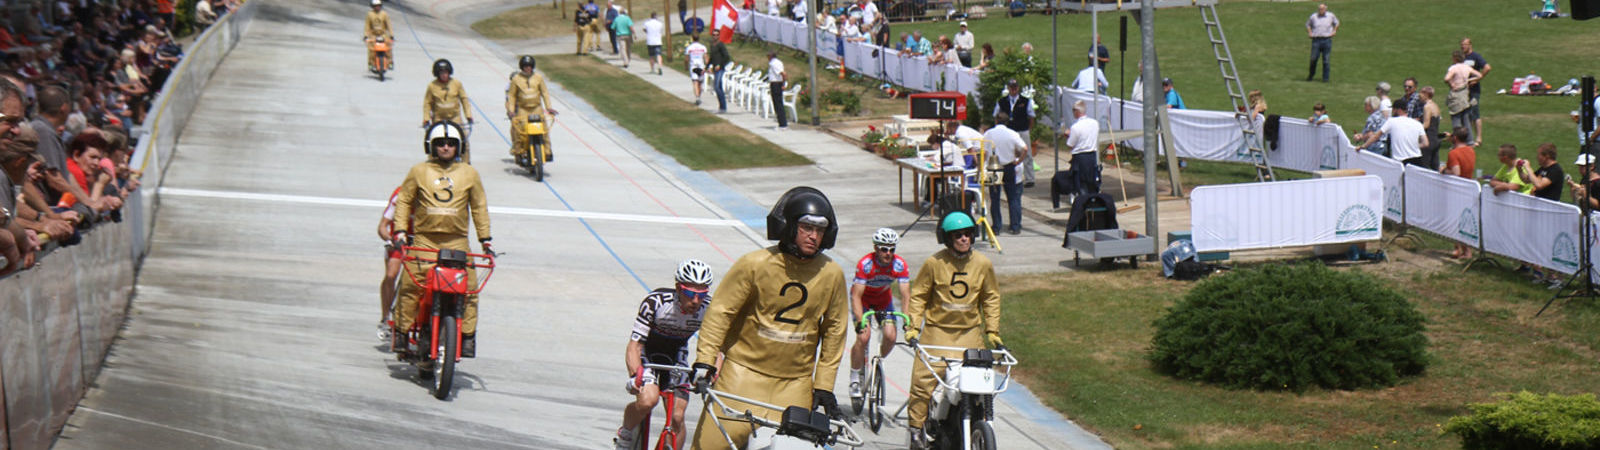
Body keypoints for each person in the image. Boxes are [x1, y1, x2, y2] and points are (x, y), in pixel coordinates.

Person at [688, 186, 849, 450]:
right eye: (807, 227)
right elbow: (720, 313)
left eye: (820, 230)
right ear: (788, 226)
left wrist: (824, 384)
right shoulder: (754, 264)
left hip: (795, 385)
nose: (814, 236)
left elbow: (835, 330)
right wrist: (705, 360)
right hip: (741, 376)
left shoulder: (831, 274)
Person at [391, 122, 493, 357]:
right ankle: (403, 332)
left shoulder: (470, 173)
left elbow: (479, 207)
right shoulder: (418, 171)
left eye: (450, 143)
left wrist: (485, 240)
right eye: (440, 143)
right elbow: (405, 200)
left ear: (459, 147)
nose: (445, 147)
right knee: (409, 287)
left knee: (469, 291)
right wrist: (399, 232)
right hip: (425, 242)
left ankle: (467, 336)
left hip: (457, 242)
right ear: (431, 146)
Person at [904, 210, 1002, 449]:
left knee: (980, 387)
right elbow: (918, 297)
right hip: (937, 333)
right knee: (922, 382)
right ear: (946, 238)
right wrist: (913, 327)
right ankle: (916, 429)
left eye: (968, 234)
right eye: (957, 235)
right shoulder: (934, 263)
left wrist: (992, 331)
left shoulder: (983, 264)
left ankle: (978, 426)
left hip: (969, 334)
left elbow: (990, 298)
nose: (964, 239)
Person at [613, 259, 714, 450]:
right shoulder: (656, 302)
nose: (695, 301)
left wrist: (711, 373)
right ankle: (626, 433)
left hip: (676, 356)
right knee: (647, 401)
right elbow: (635, 345)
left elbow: (717, 346)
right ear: (678, 288)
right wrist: (635, 375)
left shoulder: (709, 308)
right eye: (690, 293)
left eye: (701, 295)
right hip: (648, 355)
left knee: (677, 417)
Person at [847, 228, 911, 401]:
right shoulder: (865, 264)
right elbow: (856, 295)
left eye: (892, 249)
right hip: (864, 301)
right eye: (884, 249)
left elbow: (905, 295)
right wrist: (860, 321)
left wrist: (907, 320)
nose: (888, 253)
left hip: (883, 300)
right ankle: (854, 377)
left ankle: (878, 361)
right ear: (876, 248)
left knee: (890, 336)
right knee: (863, 337)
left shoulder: (899, 265)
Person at [985, 111, 1027, 235]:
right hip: (1009, 166)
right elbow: (1025, 148)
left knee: (995, 198)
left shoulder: (989, 133)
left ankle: (996, 226)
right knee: (1012, 197)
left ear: (996, 121)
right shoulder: (1012, 134)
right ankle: (1015, 226)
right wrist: (1019, 161)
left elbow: (984, 151)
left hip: (993, 166)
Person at [506, 55, 554, 165]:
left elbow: (545, 93)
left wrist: (549, 107)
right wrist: (511, 110)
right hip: (523, 109)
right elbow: (512, 96)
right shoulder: (516, 79)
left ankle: (547, 152)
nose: (528, 68)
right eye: (525, 66)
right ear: (522, 67)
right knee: (519, 130)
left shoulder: (538, 78)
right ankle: (519, 152)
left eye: (530, 66)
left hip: (536, 108)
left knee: (544, 129)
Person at [423, 59, 474, 163]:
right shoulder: (432, 86)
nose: (444, 75)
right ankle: (432, 163)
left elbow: (464, 99)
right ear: (437, 74)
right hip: (439, 118)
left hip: (455, 118)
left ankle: (466, 164)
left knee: (464, 142)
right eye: (441, 73)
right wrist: (426, 118)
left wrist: (468, 115)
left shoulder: (456, 84)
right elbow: (427, 103)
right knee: (433, 141)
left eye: (446, 73)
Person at [992, 79, 1036, 187]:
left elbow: (1031, 116)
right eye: (1011, 87)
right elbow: (995, 115)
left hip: (1022, 129)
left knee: (1027, 153)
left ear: (1018, 88)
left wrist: (1028, 129)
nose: (1013, 90)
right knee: (1008, 153)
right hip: (1008, 131)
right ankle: (1008, 177)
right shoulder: (1002, 101)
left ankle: (1030, 178)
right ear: (1008, 88)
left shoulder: (1025, 101)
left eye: (1015, 87)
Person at [1441, 127, 1476, 259]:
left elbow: (1456, 173)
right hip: (1468, 187)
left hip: (1457, 190)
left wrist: (1444, 170)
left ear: (1455, 138)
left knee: (1456, 220)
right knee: (1464, 220)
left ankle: (1462, 250)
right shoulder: (1471, 150)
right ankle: (1463, 249)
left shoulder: (1454, 153)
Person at [377, 185, 405, 343]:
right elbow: (382, 226)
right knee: (391, 274)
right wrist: (390, 240)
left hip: (421, 242)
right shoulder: (400, 195)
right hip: (398, 242)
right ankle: (385, 318)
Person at [1062, 100, 1101, 201]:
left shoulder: (1075, 127)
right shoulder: (1095, 123)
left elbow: (1070, 144)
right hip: (1092, 156)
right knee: (1092, 182)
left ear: (1077, 111)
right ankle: (1092, 200)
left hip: (1080, 157)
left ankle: (1082, 201)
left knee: (1081, 183)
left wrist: (1067, 135)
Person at [1444, 50, 1482, 146]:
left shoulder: (1454, 68)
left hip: (1456, 94)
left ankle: (1457, 142)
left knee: (1456, 120)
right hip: (1465, 94)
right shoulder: (1467, 67)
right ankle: (1469, 141)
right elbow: (1479, 75)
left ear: (1455, 58)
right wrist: (1469, 80)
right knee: (1466, 119)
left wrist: (1452, 84)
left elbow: (1446, 78)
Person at [1461, 38, 1491, 146]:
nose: (1463, 47)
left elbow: (1487, 67)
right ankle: (1467, 138)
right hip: (1463, 90)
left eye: (1465, 44)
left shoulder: (1475, 56)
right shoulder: (1462, 58)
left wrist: (1478, 79)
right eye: (1462, 45)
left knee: (1475, 113)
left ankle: (1478, 138)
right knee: (1465, 114)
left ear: (1470, 45)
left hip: (1474, 91)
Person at [1305, 3, 1337, 82]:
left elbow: (1336, 23)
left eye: (1322, 9)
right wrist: (1310, 33)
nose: (1321, 10)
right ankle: (1311, 75)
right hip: (1316, 40)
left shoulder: (1331, 16)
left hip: (1327, 40)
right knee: (1313, 59)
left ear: (1326, 9)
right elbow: (1308, 25)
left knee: (1326, 60)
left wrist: (1334, 31)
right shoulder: (1314, 16)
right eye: (1320, 9)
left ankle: (1325, 78)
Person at [365, 0, 393, 72]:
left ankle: (390, 63)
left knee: (388, 47)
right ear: (372, 6)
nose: (377, 7)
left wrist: (391, 35)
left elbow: (389, 25)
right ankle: (371, 64)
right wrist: (366, 36)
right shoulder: (370, 14)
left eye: (378, 5)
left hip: (383, 34)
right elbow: (367, 26)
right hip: (373, 34)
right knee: (371, 48)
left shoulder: (384, 14)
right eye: (375, 6)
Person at [709, 37, 732, 114]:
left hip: (720, 69)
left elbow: (727, 57)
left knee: (716, 87)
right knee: (719, 87)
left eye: (716, 35)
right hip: (715, 69)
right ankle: (722, 106)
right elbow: (711, 58)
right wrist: (707, 66)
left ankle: (723, 106)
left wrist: (720, 65)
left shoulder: (721, 45)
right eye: (713, 35)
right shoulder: (712, 45)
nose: (714, 36)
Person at [766, 50, 788, 130]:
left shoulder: (774, 63)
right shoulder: (777, 62)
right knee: (777, 104)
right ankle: (781, 123)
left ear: (771, 56)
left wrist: (783, 84)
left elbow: (783, 74)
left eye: (768, 56)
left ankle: (783, 124)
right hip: (775, 83)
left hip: (776, 84)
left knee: (778, 104)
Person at [684, 35, 708, 106]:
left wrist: (686, 66)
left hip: (693, 65)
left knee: (695, 82)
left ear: (692, 39)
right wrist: (708, 66)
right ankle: (698, 96)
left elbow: (686, 58)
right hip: (701, 65)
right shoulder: (703, 47)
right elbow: (706, 57)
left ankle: (697, 97)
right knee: (699, 82)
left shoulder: (689, 48)